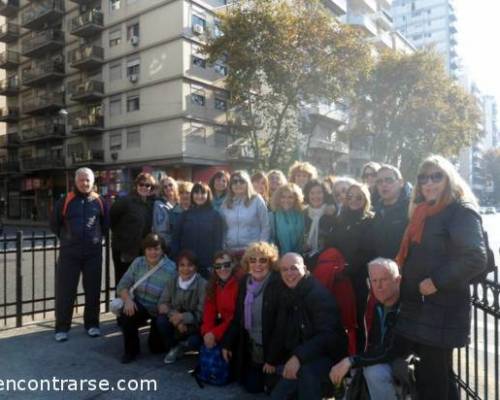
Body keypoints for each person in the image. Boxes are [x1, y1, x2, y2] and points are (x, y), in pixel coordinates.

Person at [393, 155, 487, 400]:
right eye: (423, 178)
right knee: (438, 377)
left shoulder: (460, 211)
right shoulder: (424, 212)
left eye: (437, 176)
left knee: (433, 381)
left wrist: (436, 281)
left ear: (449, 178)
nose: (429, 182)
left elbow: (476, 257)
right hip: (422, 307)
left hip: (441, 308)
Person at [268, 253, 348, 400]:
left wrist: (298, 357)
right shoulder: (287, 293)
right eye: (284, 270)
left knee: (307, 374)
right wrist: (271, 359)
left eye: (294, 268)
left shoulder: (318, 295)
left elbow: (328, 336)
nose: (289, 273)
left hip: (328, 357)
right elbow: (281, 330)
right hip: (304, 354)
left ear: (304, 269)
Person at [330, 258, 402, 400]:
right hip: (382, 359)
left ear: (398, 280)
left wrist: (352, 361)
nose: (379, 286)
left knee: (373, 371)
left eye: (384, 280)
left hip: (403, 363)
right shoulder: (375, 306)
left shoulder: (407, 307)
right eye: (374, 281)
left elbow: (392, 350)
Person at [50, 167, 108, 342]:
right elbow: (54, 224)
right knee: (65, 291)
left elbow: (105, 225)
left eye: (88, 180)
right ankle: (62, 327)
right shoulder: (65, 200)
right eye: (81, 180)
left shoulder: (100, 201)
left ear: (93, 182)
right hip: (70, 253)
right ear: (75, 182)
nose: (85, 183)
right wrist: (67, 239)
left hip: (93, 253)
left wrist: (96, 239)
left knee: (93, 291)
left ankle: (92, 325)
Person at [221, 242, 282, 394]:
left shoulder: (277, 284)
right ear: (247, 264)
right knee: (251, 386)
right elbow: (238, 317)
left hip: (272, 348)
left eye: (263, 260)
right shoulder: (244, 283)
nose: (257, 265)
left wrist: (272, 359)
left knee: (269, 389)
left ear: (271, 263)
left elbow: (281, 327)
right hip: (251, 345)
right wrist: (227, 343)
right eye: (253, 260)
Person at [115, 233, 176, 363]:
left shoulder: (171, 269)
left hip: (159, 310)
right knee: (127, 314)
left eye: (156, 249)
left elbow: (173, 297)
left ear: (162, 250)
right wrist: (128, 300)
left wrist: (166, 308)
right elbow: (122, 285)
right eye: (149, 249)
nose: (152, 253)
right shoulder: (138, 262)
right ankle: (131, 351)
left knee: (156, 348)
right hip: (140, 304)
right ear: (144, 250)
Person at [328, 183, 374, 341]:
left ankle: (359, 357)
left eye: (359, 197)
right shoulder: (339, 219)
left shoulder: (370, 220)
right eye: (350, 196)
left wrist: (348, 270)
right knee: (338, 316)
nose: (354, 200)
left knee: (359, 318)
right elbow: (331, 244)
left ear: (365, 199)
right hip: (339, 276)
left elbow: (368, 251)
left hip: (358, 278)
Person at [158, 250, 207, 364]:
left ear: (195, 267)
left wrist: (183, 317)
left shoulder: (203, 284)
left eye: (190, 265)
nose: (186, 269)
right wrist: (178, 319)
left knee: (194, 341)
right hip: (175, 322)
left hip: (194, 325)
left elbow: (202, 313)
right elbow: (162, 304)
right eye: (182, 265)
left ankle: (184, 347)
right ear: (178, 267)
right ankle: (174, 347)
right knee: (161, 320)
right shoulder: (172, 280)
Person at [110, 172, 157, 286]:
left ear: (151, 188)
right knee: (123, 282)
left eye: (148, 185)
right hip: (125, 249)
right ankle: (121, 304)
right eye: (141, 184)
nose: (144, 187)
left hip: (141, 251)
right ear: (136, 185)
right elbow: (111, 219)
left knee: (137, 283)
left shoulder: (150, 204)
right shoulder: (125, 201)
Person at [172, 182, 224, 277]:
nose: (199, 196)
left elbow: (218, 242)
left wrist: (215, 263)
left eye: (203, 193)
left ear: (208, 195)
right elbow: (175, 239)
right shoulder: (185, 215)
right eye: (196, 193)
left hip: (207, 264)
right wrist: (177, 259)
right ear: (192, 195)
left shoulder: (215, 216)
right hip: (187, 264)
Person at [220, 171, 270, 254]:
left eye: (242, 181)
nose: (238, 184)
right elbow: (223, 228)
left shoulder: (257, 200)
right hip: (230, 250)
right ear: (231, 185)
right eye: (235, 182)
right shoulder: (226, 203)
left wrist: (261, 247)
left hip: (251, 251)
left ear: (247, 183)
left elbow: (265, 226)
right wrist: (224, 246)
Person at [200, 251, 239, 359]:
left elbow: (236, 317)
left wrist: (214, 333)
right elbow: (209, 311)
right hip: (223, 325)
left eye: (226, 265)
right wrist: (207, 332)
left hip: (237, 327)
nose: (222, 269)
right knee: (198, 339)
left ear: (233, 264)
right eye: (218, 266)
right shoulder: (213, 284)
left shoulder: (240, 284)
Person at [367, 165, 409, 259]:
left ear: (401, 182)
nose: (384, 184)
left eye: (389, 180)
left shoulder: (411, 209)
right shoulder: (374, 211)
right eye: (379, 182)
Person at [302, 179, 335, 268]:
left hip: (325, 261)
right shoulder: (303, 213)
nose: (315, 196)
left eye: (319, 192)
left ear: (324, 194)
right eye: (312, 193)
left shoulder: (331, 213)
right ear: (307, 195)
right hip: (305, 259)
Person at [270, 183, 305, 254]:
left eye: (290, 197)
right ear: (278, 198)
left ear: (296, 198)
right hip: (279, 257)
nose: (286, 200)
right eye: (283, 197)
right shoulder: (272, 216)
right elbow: (270, 239)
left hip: (300, 256)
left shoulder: (302, 214)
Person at [153, 176, 182, 249]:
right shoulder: (158, 204)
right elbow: (158, 228)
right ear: (162, 190)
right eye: (165, 187)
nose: (168, 188)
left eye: (170, 185)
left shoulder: (181, 202)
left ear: (175, 186)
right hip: (166, 244)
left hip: (181, 242)